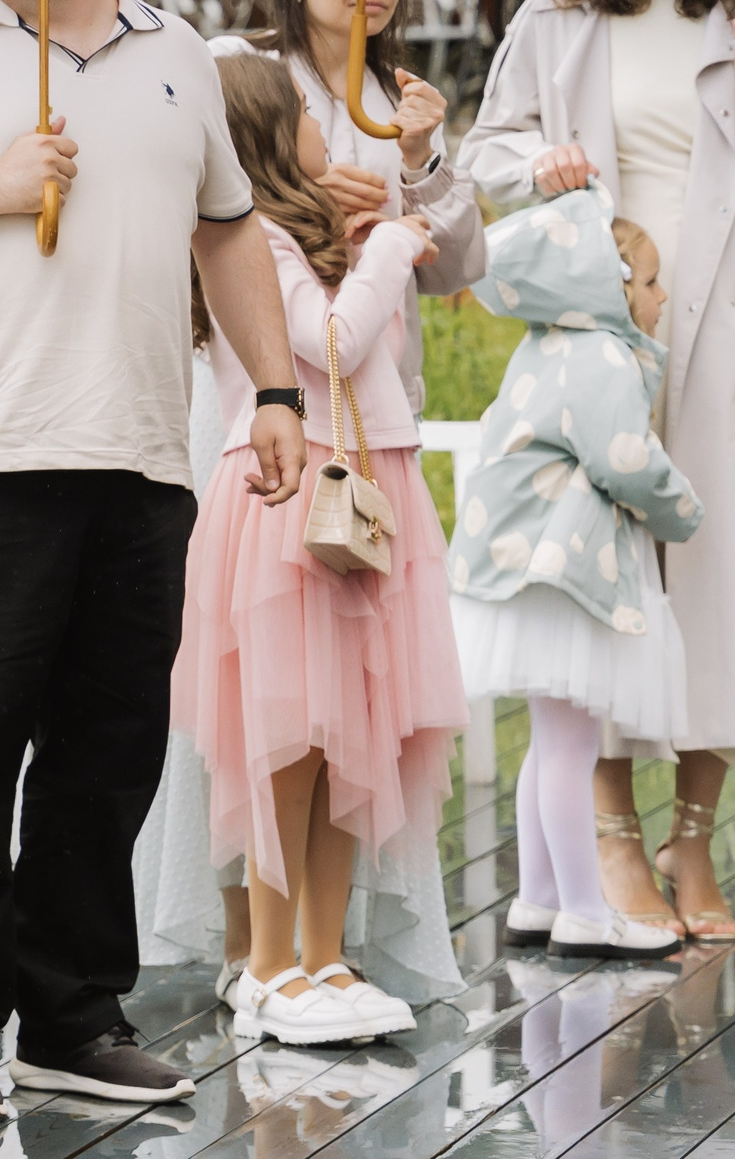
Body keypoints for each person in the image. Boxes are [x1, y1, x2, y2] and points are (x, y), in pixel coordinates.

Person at [0, 0, 305, 1115]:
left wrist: (276, 389)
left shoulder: (180, 57)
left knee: (107, 750)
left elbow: (229, 237)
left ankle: (73, 1014)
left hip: (140, 455)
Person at [460, 0, 735, 944]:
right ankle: (609, 837)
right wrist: (541, 163)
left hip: (724, 329)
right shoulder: (557, 12)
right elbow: (486, 150)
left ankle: (692, 839)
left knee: (720, 575)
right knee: (604, 574)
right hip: (600, 319)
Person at [175, 54, 469, 1046]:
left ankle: (324, 949)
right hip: (288, 490)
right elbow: (328, 344)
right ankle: (266, 962)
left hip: (362, 489)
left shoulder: (309, 237)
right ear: (263, 129)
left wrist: (359, 246)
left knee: (358, 730)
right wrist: (387, 249)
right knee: (291, 737)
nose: (320, 118)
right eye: (303, 108)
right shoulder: (246, 235)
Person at [448, 189, 699, 960]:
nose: (662, 296)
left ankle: (540, 896)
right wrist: (682, 509)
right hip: (558, 570)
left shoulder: (551, 341)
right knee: (569, 746)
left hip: (524, 562)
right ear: (611, 285)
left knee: (550, 739)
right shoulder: (600, 355)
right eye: (652, 281)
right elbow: (623, 457)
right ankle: (587, 910)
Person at [245, 0, 487, 410]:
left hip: (385, 398)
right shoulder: (244, 78)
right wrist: (297, 197)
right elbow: (199, 217)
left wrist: (420, 160)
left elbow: (453, 272)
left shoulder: (402, 101)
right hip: (275, 395)